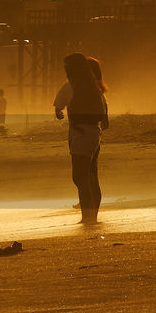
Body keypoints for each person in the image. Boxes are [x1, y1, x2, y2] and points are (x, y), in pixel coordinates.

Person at [53, 53, 109, 224]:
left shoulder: (71, 85)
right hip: (94, 135)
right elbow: (104, 113)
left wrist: (59, 112)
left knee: (79, 176)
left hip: (79, 135)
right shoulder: (94, 86)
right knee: (92, 175)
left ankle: (87, 216)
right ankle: (93, 215)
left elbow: (58, 105)